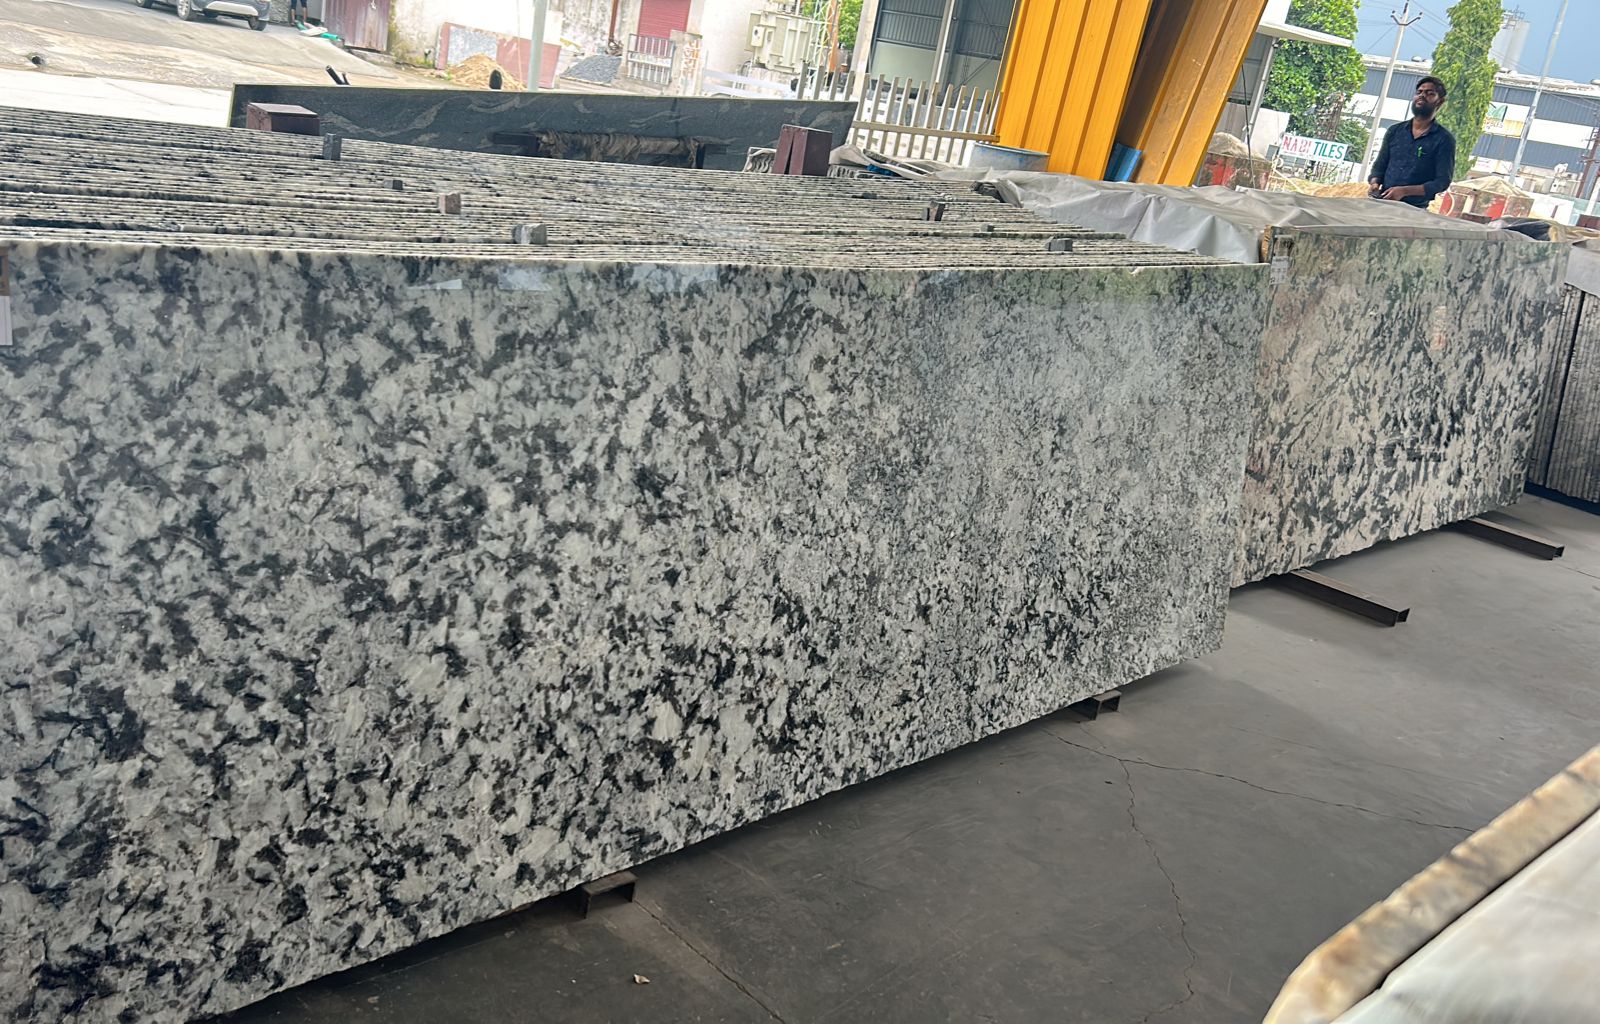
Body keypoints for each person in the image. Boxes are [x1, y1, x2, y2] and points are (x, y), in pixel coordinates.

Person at [1368, 76, 1455, 208]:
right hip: (1382, 202)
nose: (1422, 96)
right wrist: (1374, 183)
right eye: (1419, 92)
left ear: (1440, 102)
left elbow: (1442, 182)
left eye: (1430, 93)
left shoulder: (1444, 139)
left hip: (1414, 210)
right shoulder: (1395, 131)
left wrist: (1404, 191)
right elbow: (1379, 167)